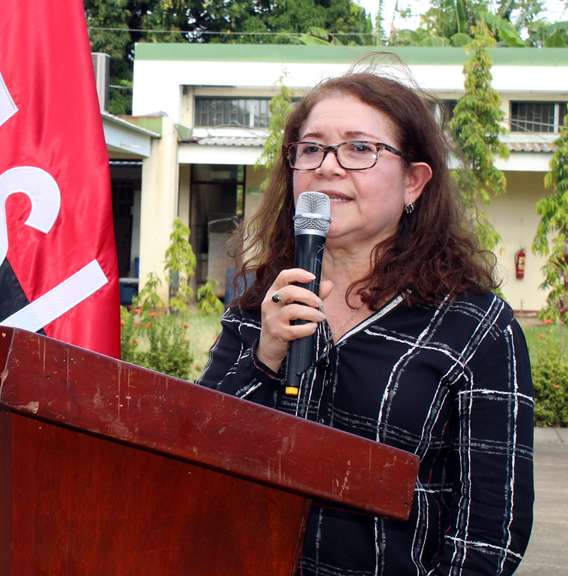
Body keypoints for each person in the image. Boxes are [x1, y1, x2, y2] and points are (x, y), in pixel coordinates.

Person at [196, 58, 535, 575]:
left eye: (360, 148)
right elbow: (196, 445)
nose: (327, 165)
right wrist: (264, 359)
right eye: (311, 148)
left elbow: (491, 533)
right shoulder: (260, 301)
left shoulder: (475, 327)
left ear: (414, 183)